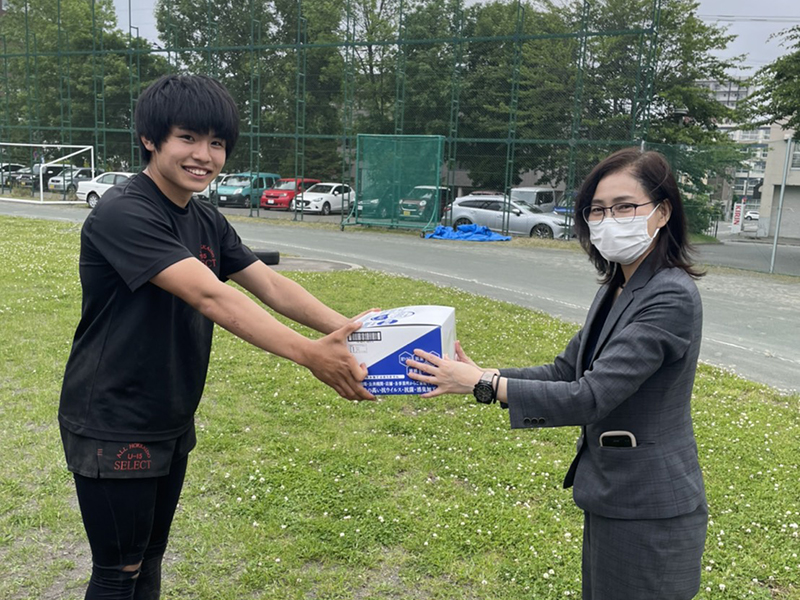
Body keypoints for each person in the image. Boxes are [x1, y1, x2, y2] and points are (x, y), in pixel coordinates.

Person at [58, 73, 374, 600]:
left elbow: (270, 284)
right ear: (150, 138)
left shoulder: (204, 217)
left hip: (170, 413)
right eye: (188, 138)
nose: (204, 155)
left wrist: (350, 330)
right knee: (119, 570)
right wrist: (309, 355)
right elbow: (212, 296)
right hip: (112, 419)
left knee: (150, 556)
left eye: (217, 143)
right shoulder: (124, 211)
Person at [407, 147, 708, 599]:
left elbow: (590, 396)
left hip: (650, 507)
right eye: (597, 210)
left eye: (624, 206)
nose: (609, 220)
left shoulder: (669, 296)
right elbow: (566, 370)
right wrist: (485, 372)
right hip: (612, 494)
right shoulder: (619, 285)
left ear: (662, 212)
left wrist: (483, 386)